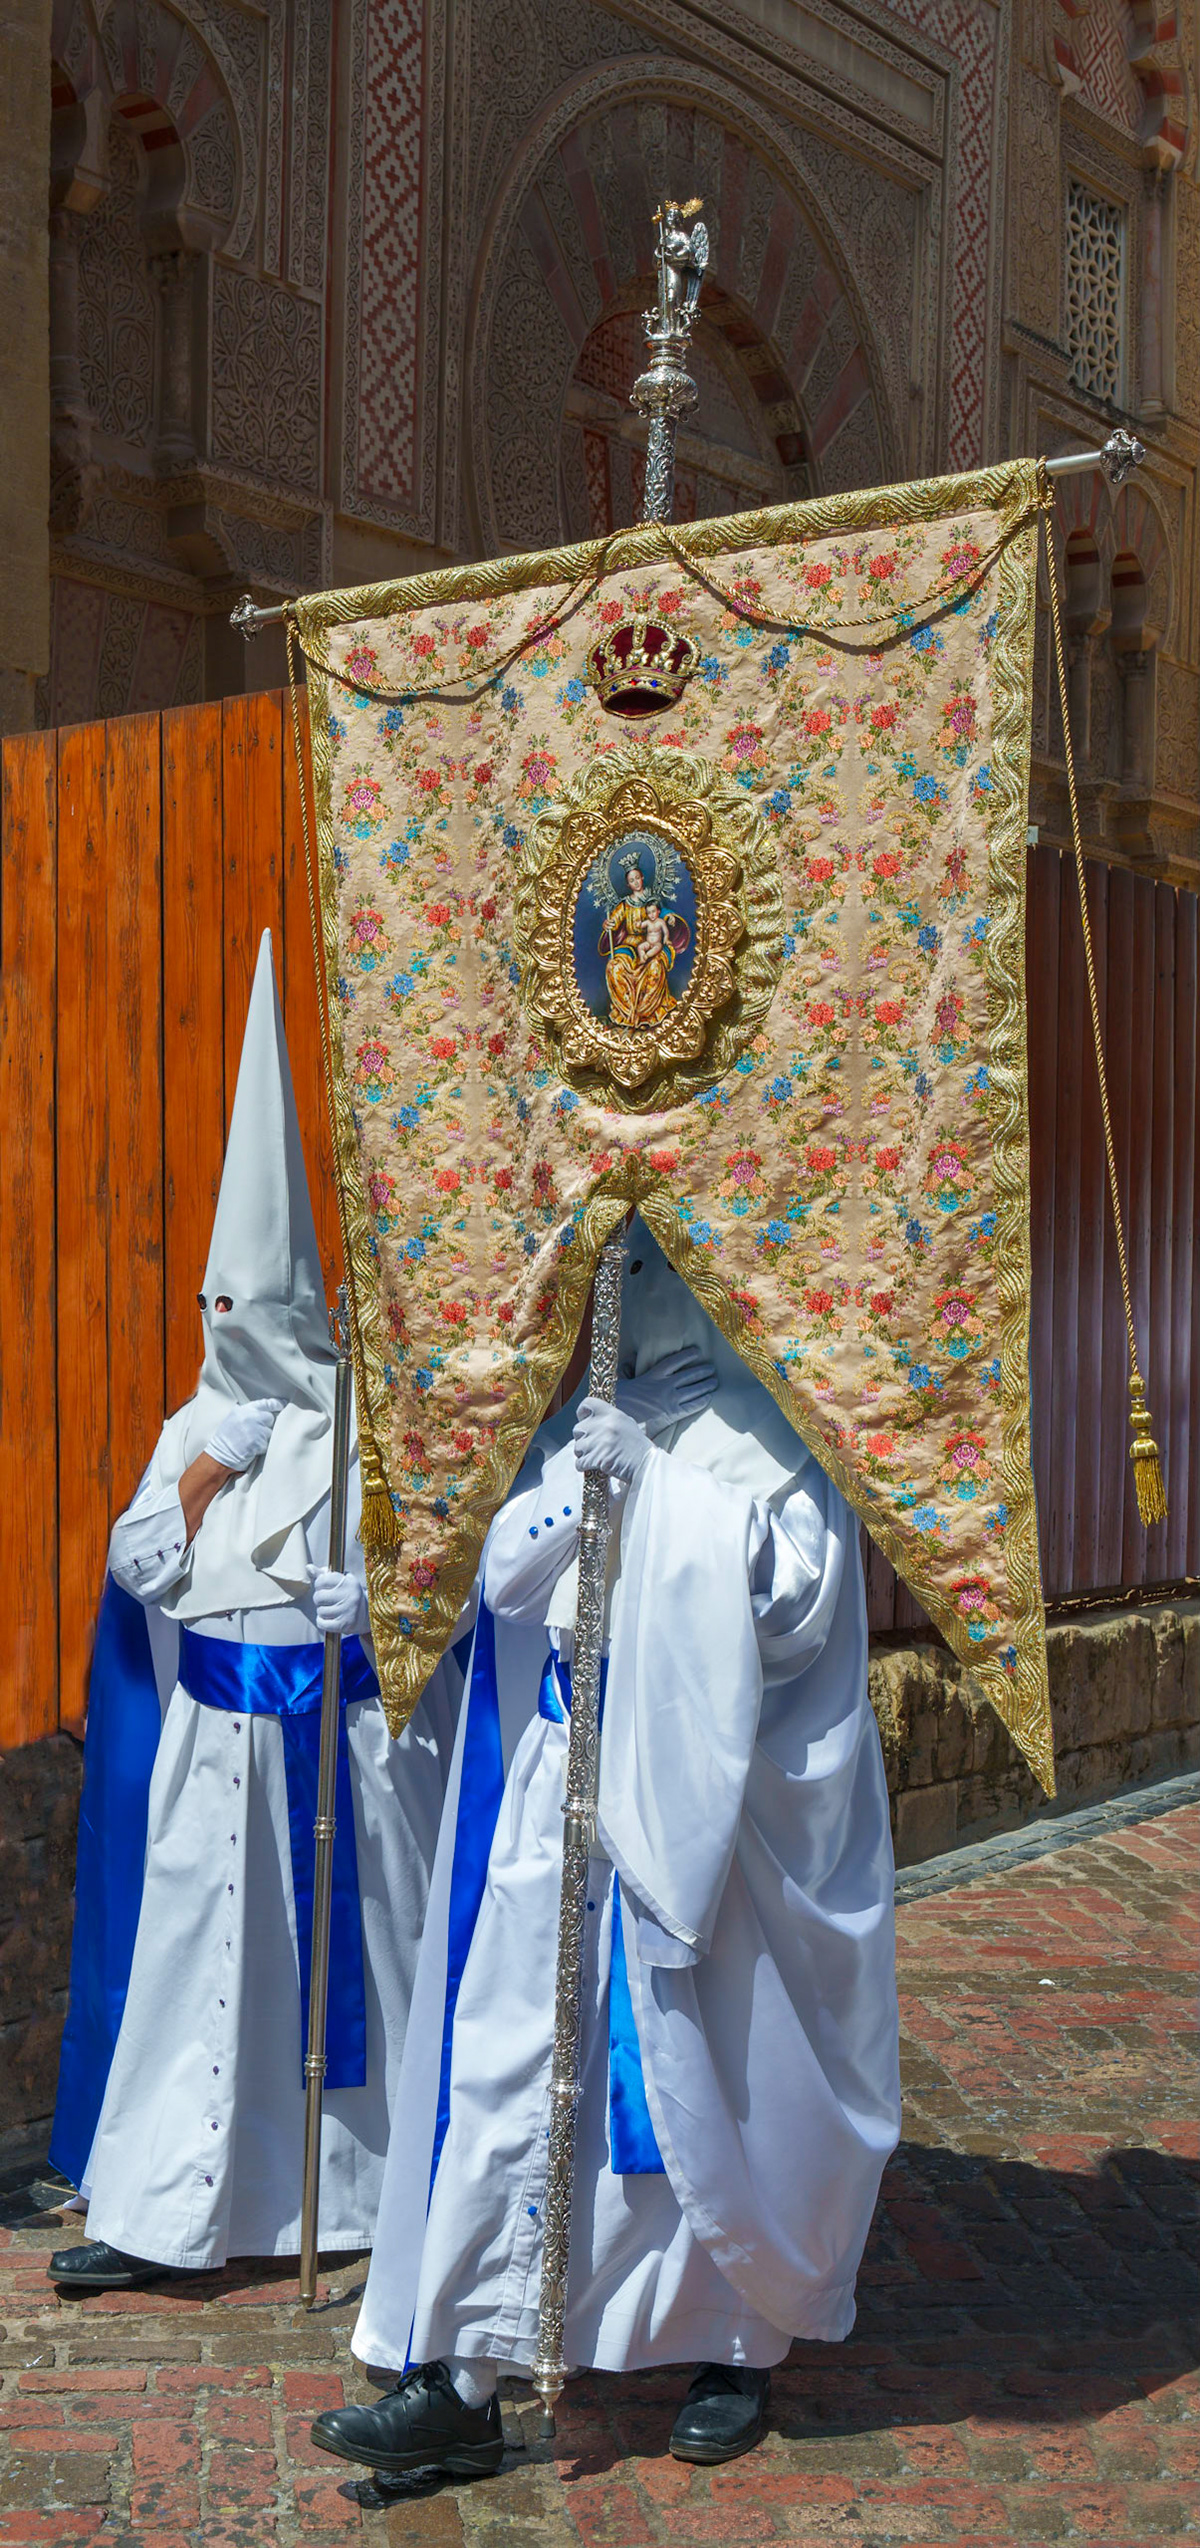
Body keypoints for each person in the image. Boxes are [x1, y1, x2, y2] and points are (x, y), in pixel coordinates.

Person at [309, 1217, 900, 2476]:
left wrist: (669, 1489)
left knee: (703, 2075)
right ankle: (467, 2366)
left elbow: (796, 1613)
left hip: (709, 1816)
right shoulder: (587, 1425)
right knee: (511, 2058)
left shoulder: (777, 1438)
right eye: (619, 1275)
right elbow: (511, 1585)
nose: (638, 1301)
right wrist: (583, 1488)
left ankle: (733, 2342)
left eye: (662, 1273)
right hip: (559, 1790)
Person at [49, 932, 458, 2290]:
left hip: (333, 1746)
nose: (225, 1321)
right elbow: (142, 1568)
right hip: (214, 1747)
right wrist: (210, 1463)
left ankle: (357, 2198)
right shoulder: (198, 1420)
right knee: (192, 1970)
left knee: (339, 1974)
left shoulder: (365, 1427)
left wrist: (379, 1606)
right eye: (212, 1304)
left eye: (247, 1304)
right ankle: (160, 2208)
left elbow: (435, 1585)